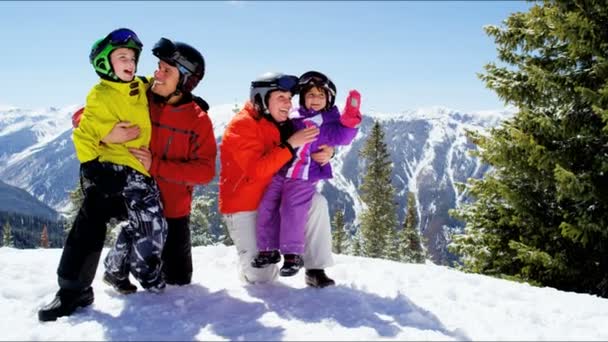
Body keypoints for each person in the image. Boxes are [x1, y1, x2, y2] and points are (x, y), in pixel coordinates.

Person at [38, 28, 168, 322]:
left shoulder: (139, 86)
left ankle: (131, 270)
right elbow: (83, 134)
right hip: (109, 169)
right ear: (104, 63)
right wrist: (95, 160)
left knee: (153, 224)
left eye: (133, 57)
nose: (130, 62)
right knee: (91, 220)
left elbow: (160, 85)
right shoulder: (99, 95)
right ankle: (73, 290)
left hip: (138, 172)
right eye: (122, 56)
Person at [218, 72, 338, 288]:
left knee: (317, 202)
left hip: (276, 197)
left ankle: (315, 269)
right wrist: (290, 144)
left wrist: (329, 152)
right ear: (262, 99)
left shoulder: (282, 123)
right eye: (281, 98)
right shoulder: (242, 126)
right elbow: (256, 170)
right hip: (245, 206)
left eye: (290, 98)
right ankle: (246, 266)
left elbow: (312, 142)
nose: (288, 104)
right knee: (261, 278)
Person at [251, 70, 362, 277]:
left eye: (321, 95)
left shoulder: (329, 123)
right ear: (302, 98)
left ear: (329, 99)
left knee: (293, 209)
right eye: (310, 95)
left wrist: (350, 117)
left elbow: (344, 136)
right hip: (282, 172)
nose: (316, 99)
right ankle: (268, 249)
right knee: (268, 205)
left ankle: (293, 254)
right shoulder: (293, 117)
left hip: (302, 177)